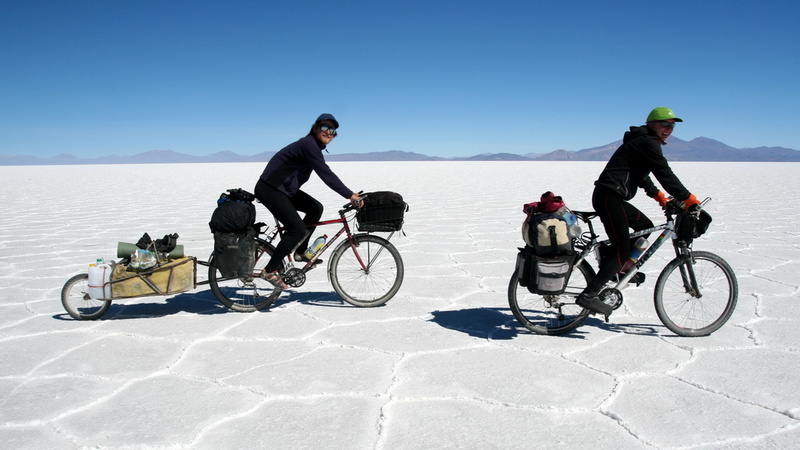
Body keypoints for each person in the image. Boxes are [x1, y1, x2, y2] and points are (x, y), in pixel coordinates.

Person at [577, 107, 701, 316]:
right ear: (652, 123)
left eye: (672, 126)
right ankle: (589, 295)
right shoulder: (647, 142)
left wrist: (659, 196)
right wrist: (688, 199)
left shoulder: (642, 141)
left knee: (644, 226)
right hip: (609, 197)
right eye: (665, 124)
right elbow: (664, 173)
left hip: (611, 196)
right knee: (621, 248)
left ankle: (618, 267)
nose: (669, 129)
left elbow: (642, 175)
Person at [254, 113, 362, 289]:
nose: (329, 132)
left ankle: (301, 252)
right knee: (297, 229)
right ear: (315, 128)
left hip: (284, 189)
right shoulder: (308, 145)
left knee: (315, 208)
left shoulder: (313, 147)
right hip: (270, 189)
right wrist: (349, 195)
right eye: (325, 128)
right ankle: (270, 270)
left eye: (333, 130)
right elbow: (325, 173)